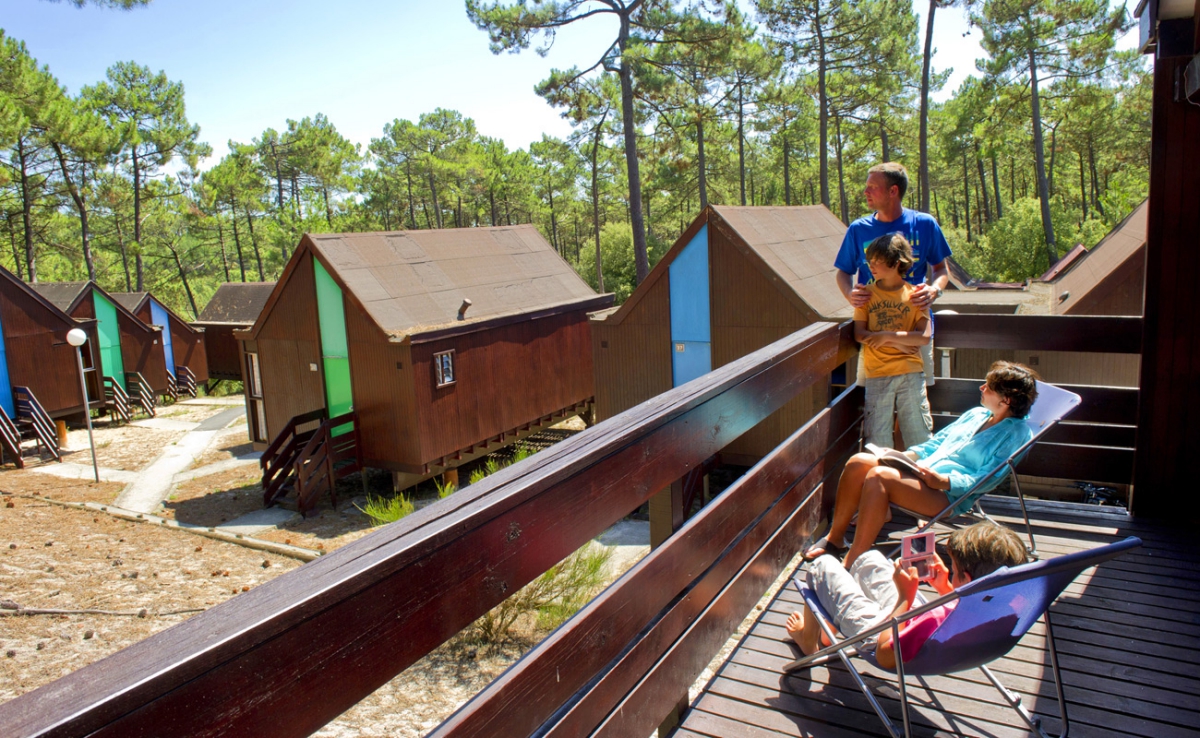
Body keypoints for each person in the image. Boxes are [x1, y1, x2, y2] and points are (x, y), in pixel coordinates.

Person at [803, 360, 1039, 568]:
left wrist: (944, 481)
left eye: (988, 387)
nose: (982, 388)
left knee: (879, 476)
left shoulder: (1017, 435)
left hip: (946, 494)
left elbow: (989, 477)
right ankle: (835, 538)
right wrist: (906, 457)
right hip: (922, 473)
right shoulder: (977, 414)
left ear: (1005, 400)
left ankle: (855, 558)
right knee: (859, 461)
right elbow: (936, 443)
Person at [786, 522, 1027, 670]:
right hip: (914, 623)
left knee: (822, 564)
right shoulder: (1008, 608)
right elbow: (963, 610)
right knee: (869, 560)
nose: (949, 571)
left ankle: (810, 641)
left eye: (953, 570)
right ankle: (839, 615)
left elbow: (885, 653)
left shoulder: (932, 620)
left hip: (880, 634)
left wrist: (905, 599)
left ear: (965, 576)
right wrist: (944, 588)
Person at [835, 162, 951, 389]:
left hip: (914, 330)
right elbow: (843, 272)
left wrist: (934, 289)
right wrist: (850, 295)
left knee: (915, 394)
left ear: (893, 191)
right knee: (871, 392)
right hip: (873, 328)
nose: (865, 192)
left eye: (872, 187)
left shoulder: (924, 224)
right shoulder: (859, 229)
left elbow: (941, 269)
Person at [856, 233, 932, 449]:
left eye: (878, 261)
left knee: (920, 438)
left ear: (897, 263)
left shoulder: (916, 295)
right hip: (877, 374)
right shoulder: (866, 295)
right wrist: (903, 342)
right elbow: (860, 334)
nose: (872, 266)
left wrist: (887, 336)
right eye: (870, 260)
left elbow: (925, 336)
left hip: (911, 374)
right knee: (877, 442)